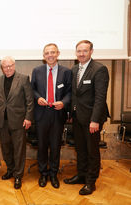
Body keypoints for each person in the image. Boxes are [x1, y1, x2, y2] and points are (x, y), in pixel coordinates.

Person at [63, 40, 110, 195]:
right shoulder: (75, 69)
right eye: (79, 51)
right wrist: (70, 113)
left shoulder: (99, 69)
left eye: (85, 51)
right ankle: (81, 175)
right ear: (76, 53)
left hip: (92, 119)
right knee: (80, 149)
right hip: (78, 117)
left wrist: (95, 120)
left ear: (91, 51)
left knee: (92, 151)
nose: (81, 54)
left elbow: (100, 98)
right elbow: (74, 94)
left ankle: (91, 181)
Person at [31, 43, 72, 189]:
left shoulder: (66, 72)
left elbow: (70, 92)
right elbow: (33, 89)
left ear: (58, 53)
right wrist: (37, 98)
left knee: (55, 146)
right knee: (42, 146)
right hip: (41, 113)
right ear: (43, 56)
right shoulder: (37, 71)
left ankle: (53, 174)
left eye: (53, 52)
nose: (50, 55)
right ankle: (43, 173)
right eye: (47, 53)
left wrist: (64, 102)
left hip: (57, 113)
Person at [0, 56, 34, 189]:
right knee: (6, 148)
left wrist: (28, 117)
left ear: (14, 65)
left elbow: (30, 101)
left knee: (18, 150)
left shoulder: (23, 79)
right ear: (2, 68)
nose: (8, 68)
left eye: (10, 65)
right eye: (5, 66)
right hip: (3, 121)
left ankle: (18, 176)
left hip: (19, 121)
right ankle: (10, 170)